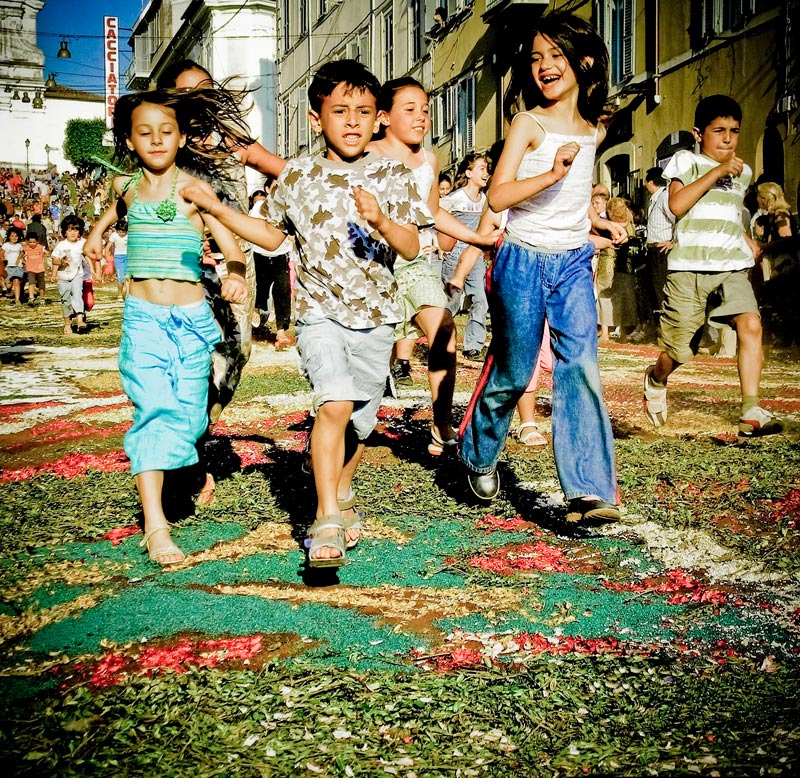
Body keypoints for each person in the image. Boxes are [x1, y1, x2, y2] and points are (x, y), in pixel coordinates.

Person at [181, 60, 431, 568]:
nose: (353, 121)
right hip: (319, 313)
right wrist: (219, 210)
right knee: (334, 404)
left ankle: (340, 488)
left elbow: (410, 247)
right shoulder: (298, 174)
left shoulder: (394, 174)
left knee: (360, 422)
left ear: (380, 118)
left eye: (364, 111)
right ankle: (326, 519)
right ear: (317, 118)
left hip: (378, 316)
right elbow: (273, 236)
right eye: (340, 111)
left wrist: (381, 220)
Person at [458, 10, 626, 523]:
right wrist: (551, 173)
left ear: (586, 60)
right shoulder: (527, 124)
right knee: (514, 369)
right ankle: (478, 450)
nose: (544, 66)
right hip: (522, 259)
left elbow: (574, 202)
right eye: (536, 58)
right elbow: (499, 192)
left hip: (573, 261)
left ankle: (589, 489)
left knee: (580, 366)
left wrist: (598, 228)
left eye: (556, 55)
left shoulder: (593, 130)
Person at [84, 88, 250, 566]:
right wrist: (96, 235)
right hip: (144, 322)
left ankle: (192, 469)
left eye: (166, 131)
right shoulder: (128, 189)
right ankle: (155, 526)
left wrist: (236, 275)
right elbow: (112, 216)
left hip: (194, 322)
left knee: (191, 416)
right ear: (131, 142)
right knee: (152, 409)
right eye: (144, 133)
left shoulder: (194, 192)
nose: (156, 140)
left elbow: (232, 247)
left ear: (180, 138)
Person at [368, 77, 499, 454]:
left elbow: (433, 212)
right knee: (364, 356)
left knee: (443, 328)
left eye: (425, 109)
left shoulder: (428, 160)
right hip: (372, 268)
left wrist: (476, 238)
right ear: (384, 117)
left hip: (417, 264)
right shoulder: (367, 156)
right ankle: (331, 435)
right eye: (409, 110)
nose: (421, 117)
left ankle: (442, 425)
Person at [643, 94, 781, 437]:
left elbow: (728, 213)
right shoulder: (684, 162)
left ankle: (750, 409)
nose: (728, 138)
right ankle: (656, 377)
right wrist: (717, 170)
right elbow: (676, 205)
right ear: (698, 133)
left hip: (731, 267)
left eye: (734, 131)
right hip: (689, 268)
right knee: (680, 351)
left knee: (751, 326)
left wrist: (747, 241)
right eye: (719, 130)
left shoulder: (744, 172)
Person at [440, 153, 493, 361]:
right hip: (455, 255)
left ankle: (473, 346)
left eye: (486, 169)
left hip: (476, 255)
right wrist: (439, 244)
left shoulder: (486, 201)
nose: (485, 172)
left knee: (480, 299)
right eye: (481, 168)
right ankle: (441, 341)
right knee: (451, 302)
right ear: (469, 172)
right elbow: (436, 218)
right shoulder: (455, 198)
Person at [249, 184, 294, 350]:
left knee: (283, 291)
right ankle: (256, 328)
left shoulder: (288, 204)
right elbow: (251, 227)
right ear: (268, 188)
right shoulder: (260, 207)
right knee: (259, 291)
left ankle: (281, 332)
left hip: (281, 255)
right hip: (260, 254)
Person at [644, 166, 674, 316]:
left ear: (650, 183)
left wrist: (673, 241)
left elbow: (676, 218)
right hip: (652, 249)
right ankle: (657, 324)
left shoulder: (664, 197)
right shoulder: (654, 199)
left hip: (662, 250)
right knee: (653, 289)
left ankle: (664, 322)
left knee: (661, 288)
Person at [50, 215, 89, 333]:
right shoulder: (61, 245)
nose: (73, 232)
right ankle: (67, 323)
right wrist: (54, 274)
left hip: (77, 275)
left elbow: (87, 256)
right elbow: (54, 261)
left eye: (76, 229)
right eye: (70, 229)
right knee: (65, 299)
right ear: (65, 232)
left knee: (77, 295)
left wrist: (94, 270)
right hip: (63, 277)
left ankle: (80, 319)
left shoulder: (82, 244)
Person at [0, 225, 25, 305]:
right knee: (8, 285)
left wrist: (19, 258)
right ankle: (9, 290)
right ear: (9, 236)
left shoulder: (19, 245)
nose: (14, 238)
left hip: (17, 266)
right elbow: (1, 254)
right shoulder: (6, 245)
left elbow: (22, 252)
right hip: (8, 267)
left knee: (16, 281)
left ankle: (17, 300)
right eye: (12, 236)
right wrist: (3, 259)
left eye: (16, 236)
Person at [23, 230, 48, 305]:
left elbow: (47, 253)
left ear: (37, 241)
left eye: (34, 242)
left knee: (41, 284)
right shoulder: (26, 248)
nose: (32, 244)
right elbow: (23, 256)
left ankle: (42, 297)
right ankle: (31, 297)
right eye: (30, 242)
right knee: (31, 283)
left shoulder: (41, 248)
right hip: (30, 268)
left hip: (40, 268)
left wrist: (46, 255)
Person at [106, 219, 129, 299]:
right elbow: (108, 247)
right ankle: (119, 293)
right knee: (121, 277)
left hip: (128, 257)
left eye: (123, 232)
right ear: (117, 230)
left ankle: (126, 294)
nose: (121, 234)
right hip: (118, 257)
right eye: (120, 232)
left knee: (127, 277)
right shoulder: (114, 235)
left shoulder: (128, 235)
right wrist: (106, 256)